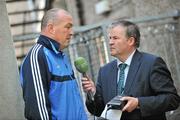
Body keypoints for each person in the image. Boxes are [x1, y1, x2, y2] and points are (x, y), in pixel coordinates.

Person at [82, 20, 180, 120]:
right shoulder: (104, 71)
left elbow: (172, 99)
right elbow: (98, 110)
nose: (110, 42)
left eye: (115, 38)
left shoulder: (152, 63)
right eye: (110, 38)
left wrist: (138, 103)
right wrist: (93, 93)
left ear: (131, 41)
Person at [20, 8, 87, 120]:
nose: (72, 32)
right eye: (67, 27)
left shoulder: (61, 56)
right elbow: (38, 112)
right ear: (51, 28)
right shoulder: (37, 56)